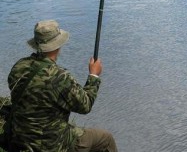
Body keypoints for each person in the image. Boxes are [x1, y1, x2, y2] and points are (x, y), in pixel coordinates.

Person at [7, 20, 118, 152]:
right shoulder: (59, 77)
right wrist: (94, 76)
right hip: (51, 144)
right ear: (58, 45)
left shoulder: (19, 66)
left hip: (20, 138)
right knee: (106, 139)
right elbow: (85, 105)